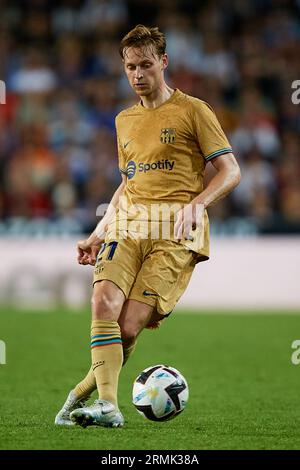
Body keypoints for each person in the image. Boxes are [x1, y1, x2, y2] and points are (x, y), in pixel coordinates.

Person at [55, 24, 241, 428]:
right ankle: (109, 405)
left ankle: (78, 395)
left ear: (164, 62)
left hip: (176, 230)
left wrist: (198, 203)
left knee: (127, 328)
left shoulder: (194, 110)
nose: (137, 74)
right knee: (103, 300)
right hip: (129, 224)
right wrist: (97, 232)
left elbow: (230, 171)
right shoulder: (123, 120)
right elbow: (128, 183)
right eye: (129, 67)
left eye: (145, 65)